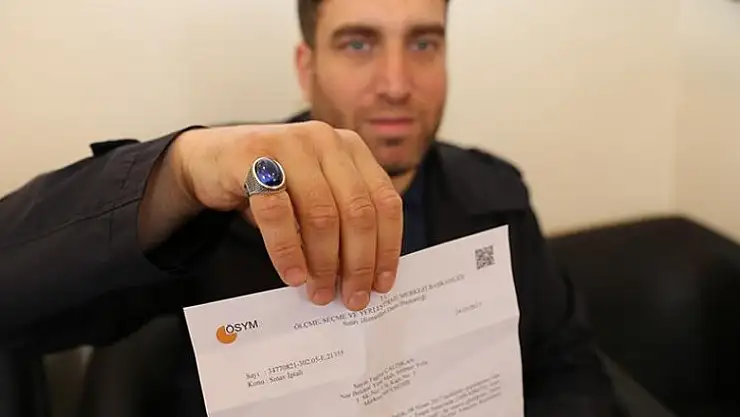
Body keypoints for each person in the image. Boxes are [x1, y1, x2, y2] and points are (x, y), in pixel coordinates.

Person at [0, 0, 620, 415]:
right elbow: (17, 304)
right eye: (358, 43)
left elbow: (568, 368)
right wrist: (178, 173)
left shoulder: (497, 195)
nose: (397, 82)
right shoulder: (215, 209)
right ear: (308, 65)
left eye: (424, 43)